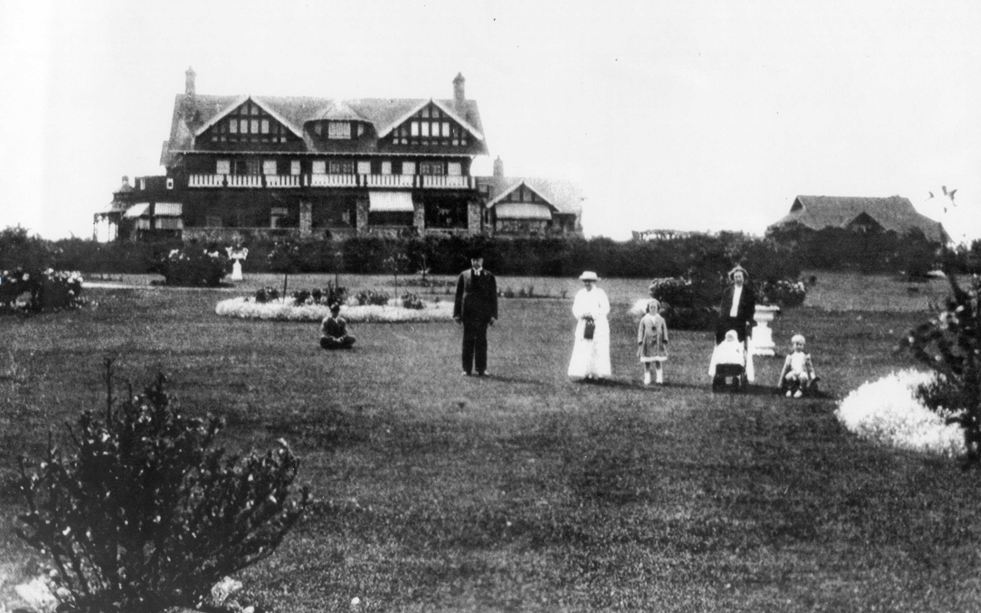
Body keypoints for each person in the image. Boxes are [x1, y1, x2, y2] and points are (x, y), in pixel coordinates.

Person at [453, 250, 498, 376]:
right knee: (467, 342)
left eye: (478, 260)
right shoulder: (464, 275)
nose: (476, 262)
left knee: (481, 342)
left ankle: (481, 368)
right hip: (468, 314)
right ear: (471, 261)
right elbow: (458, 296)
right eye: (473, 260)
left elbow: (493, 297)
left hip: (483, 315)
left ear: (482, 260)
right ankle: (466, 369)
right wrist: (456, 313)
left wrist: (493, 315)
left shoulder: (489, 276)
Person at [568, 271, 611, 381]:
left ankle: (599, 374)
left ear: (594, 281)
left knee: (598, 348)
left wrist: (593, 315)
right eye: (585, 281)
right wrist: (582, 315)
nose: (587, 283)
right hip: (583, 324)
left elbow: (606, 308)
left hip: (598, 325)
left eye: (589, 281)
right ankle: (586, 373)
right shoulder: (580, 294)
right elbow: (575, 308)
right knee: (585, 348)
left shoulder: (600, 293)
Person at [716, 264, 757, 382]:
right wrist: (722, 319)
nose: (738, 279)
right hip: (728, 321)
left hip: (741, 322)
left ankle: (742, 371)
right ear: (732, 278)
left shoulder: (749, 292)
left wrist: (749, 320)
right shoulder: (728, 291)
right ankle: (723, 368)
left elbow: (751, 309)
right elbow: (723, 307)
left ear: (744, 277)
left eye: (740, 276)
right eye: (736, 277)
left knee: (740, 346)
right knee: (725, 343)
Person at [637, 299, 669, 385]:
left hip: (658, 342)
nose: (653, 309)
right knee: (647, 361)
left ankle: (659, 379)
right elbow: (641, 330)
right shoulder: (644, 319)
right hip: (647, 342)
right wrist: (640, 340)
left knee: (658, 361)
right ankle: (647, 378)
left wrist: (665, 339)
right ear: (648, 308)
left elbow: (664, 329)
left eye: (655, 307)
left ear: (658, 308)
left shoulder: (661, 319)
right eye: (651, 307)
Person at [778, 334, 818, 398]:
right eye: (797, 344)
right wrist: (781, 380)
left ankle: (800, 390)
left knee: (803, 377)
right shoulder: (790, 356)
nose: (799, 346)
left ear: (803, 345)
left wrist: (813, 377)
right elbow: (785, 368)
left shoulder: (805, 355)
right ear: (793, 345)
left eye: (801, 344)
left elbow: (810, 367)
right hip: (794, 372)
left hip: (802, 372)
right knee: (788, 376)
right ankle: (790, 389)